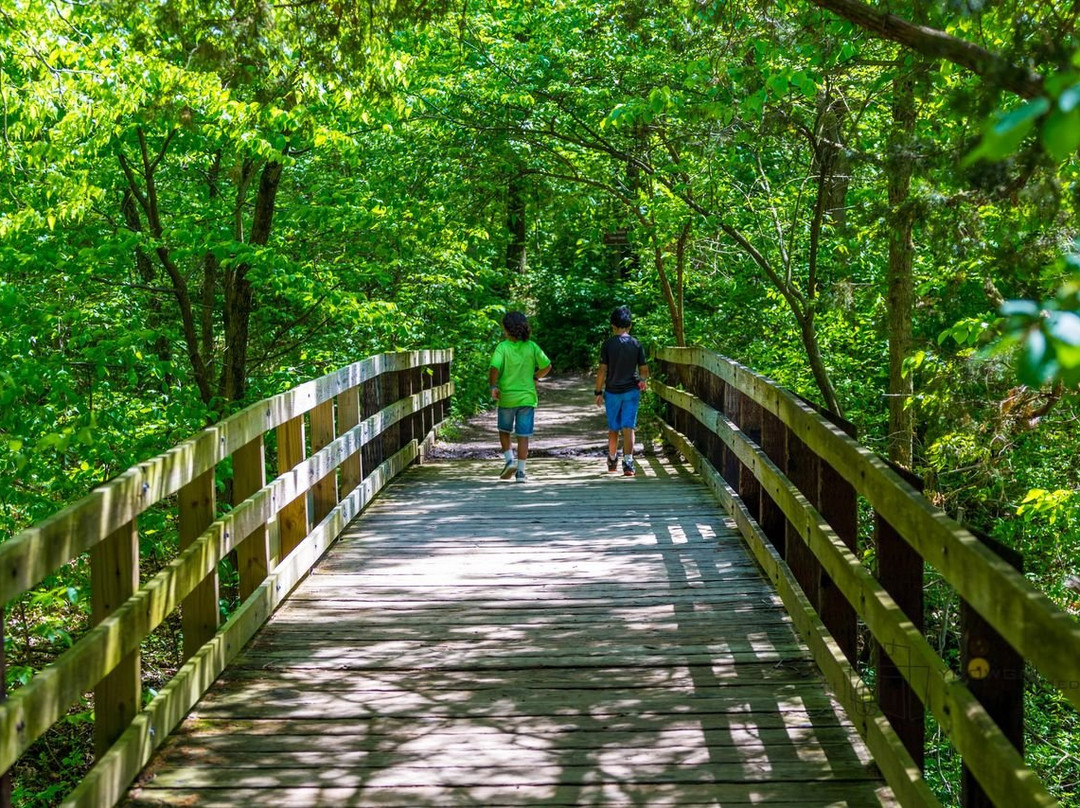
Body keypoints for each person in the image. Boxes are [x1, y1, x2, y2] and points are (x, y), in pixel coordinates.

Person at [489, 311, 551, 482]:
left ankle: (509, 460)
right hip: (527, 398)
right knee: (523, 435)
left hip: (507, 397)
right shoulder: (531, 347)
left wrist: (493, 385)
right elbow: (547, 365)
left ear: (506, 329)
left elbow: (494, 367)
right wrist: (536, 377)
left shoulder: (502, 347)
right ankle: (521, 473)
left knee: (504, 431)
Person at [594, 306, 648, 477]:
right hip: (631, 391)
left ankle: (612, 459)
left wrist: (598, 391)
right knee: (628, 427)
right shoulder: (636, 343)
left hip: (612, 392)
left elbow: (602, 370)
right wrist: (642, 381)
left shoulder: (608, 344)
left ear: (613, 326)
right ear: (629, 325)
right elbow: (644, 369)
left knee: (613, 428)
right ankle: (628, 462)